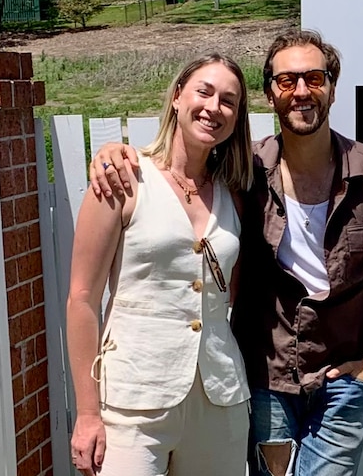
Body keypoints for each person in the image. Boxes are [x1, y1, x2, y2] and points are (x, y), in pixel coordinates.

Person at [89, 29, 363, 476]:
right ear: (269, 94)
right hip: (266, 378)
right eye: (286, 81)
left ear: (332, 88)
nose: (301, 91)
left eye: (314, 78)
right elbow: (178, 166)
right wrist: (113, 153)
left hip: (342, 383)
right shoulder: (245, 173)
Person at [66, 53, 254, 476]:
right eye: (203, 92)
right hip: (133, 399)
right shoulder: (122, 179)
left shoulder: (235, 193)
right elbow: (81, 298)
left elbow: (234, 298)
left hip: (219, 399)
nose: (213, 107)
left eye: (228, 100)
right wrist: (87, 413)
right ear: (176, 97)